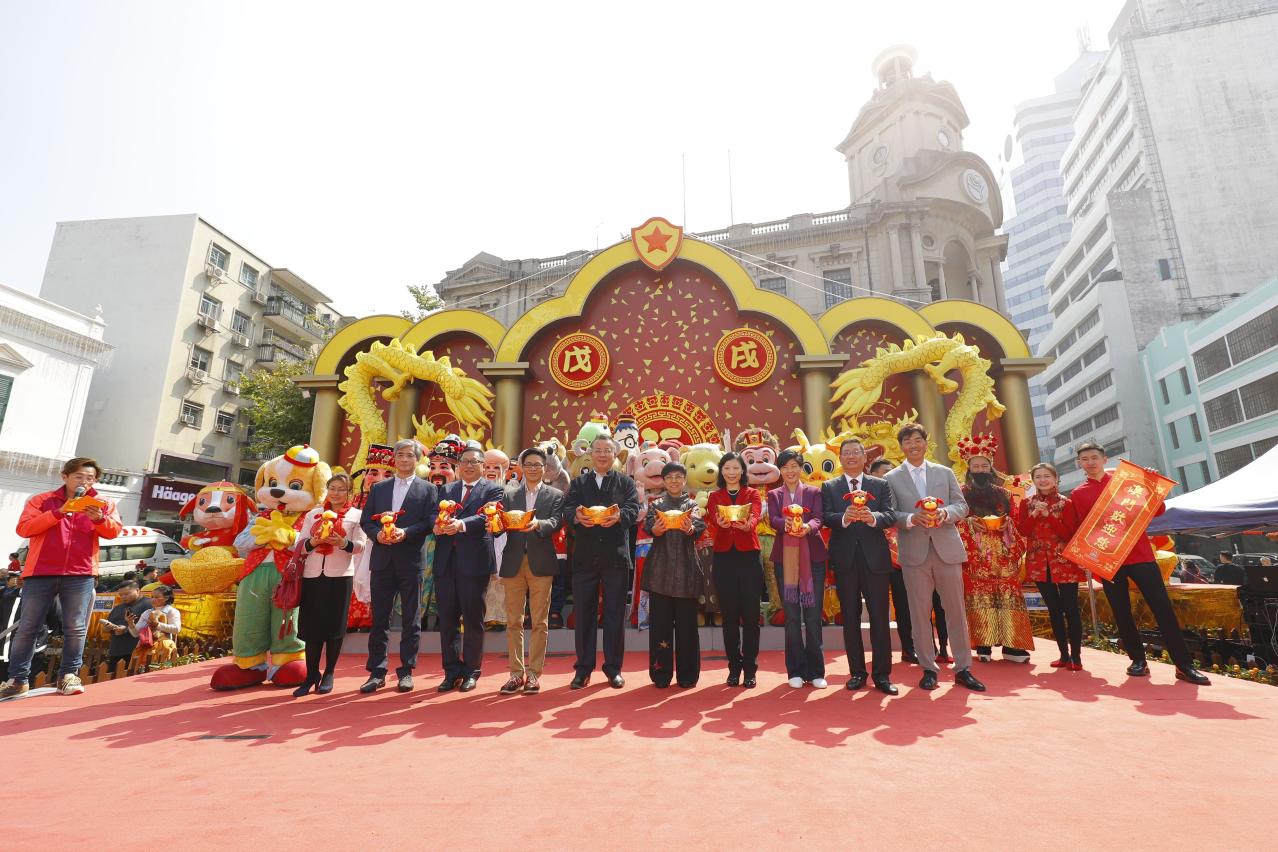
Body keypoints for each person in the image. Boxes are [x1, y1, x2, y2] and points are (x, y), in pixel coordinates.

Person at [1069, 442, 1209, 685]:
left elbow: (1158, 509)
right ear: (1079, 463)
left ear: (1104, 459)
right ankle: (1137, 660)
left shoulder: (1126, 483)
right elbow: (1083, 529)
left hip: (1141, 555)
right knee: (1121, 611)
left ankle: (1184, 665)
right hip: (1109, 561)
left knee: (1162, 608)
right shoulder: (1078, 494)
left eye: (1094, 457)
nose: (1090, 462)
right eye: (1085, 459)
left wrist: (1149, 483)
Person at [2, 457, 123, 698]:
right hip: (40, 572)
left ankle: (68, 676)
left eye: (90, 478)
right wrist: (58, 512)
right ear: (65, 477)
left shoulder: (103, 503)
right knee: (28, 627)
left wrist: (99, 519)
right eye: (79, 477)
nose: (84, 482)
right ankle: (17, 680)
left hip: (81, 572)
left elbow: (114, 531)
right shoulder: (42, 500)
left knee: (75, 628)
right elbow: (24, 528)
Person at [883, 424, 986, 692]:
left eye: (918, 439)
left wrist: (945, 513)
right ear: (901, 446)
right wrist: (910, 518)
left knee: (955, 610)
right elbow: (890, 513)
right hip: (914, 552)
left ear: (926, 443)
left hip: (946, 549)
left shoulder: (944, 472)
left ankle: (963, 668)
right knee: (919, 613)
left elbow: (961, 505)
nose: (913, 445)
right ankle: (928, 668)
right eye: (908, 441)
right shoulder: (891, 478)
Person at [357, 439, 439, 694]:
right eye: (400, 455)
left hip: (411, 559)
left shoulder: (428, 489)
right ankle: (377, 671)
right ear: (394, 458)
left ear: (417, 459)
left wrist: (406, 532)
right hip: (382, 559)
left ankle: (406, 671)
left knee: (411, 618)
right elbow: (366, 521)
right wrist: (377, 535)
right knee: (380, 618)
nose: (404, 459)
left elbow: (429, 522)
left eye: (409, 455)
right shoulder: (379, 488)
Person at [561, 434, 641, 689]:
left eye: (608, 450)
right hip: (585, 557)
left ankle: (613, 668)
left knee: (615, 614)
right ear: (591, 454)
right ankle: (583, 669)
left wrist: (619, 517)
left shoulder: (625, 482)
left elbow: (633, 509)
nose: (603, 454)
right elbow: (567, 508)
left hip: (615, 557)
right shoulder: (578, 483)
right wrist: (576, 517)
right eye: (598, 450)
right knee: (583, 614)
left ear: (615, 455)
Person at [822, 439, 898, 694]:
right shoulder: (830, 486)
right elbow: (826, 517)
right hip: (845, 561)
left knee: (879, 618)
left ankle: (882, 675)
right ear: (841, 458)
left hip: (875, 560)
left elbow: (890, 514)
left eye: (856, 452)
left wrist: (872, 517)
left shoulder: (880, 484)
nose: (851, 456)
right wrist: (844, 517)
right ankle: (857, 672)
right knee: (850, 618)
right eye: (846, 453)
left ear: (865, 457)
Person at [955, 435, 1034, 664]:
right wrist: (969, 523)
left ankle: (1013, 646)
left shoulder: (1005, 494)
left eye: (984, 465)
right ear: (969, 468)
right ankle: (984, 644)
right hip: (975, 554)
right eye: (976, 466)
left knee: (1009, 596)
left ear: (991, 468)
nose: (980, 469)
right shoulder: (960, 493)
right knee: (980, 596)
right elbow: (953, 522)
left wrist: (1007, 524)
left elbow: (1016, 522)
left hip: (1003, 552)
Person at [432, 442, 503, 693]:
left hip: (475, 563)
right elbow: (432, 513)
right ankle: (451, 671)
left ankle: (472, 671)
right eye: (465, 462)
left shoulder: (493, 489)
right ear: (458, 465)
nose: (469, 466)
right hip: (445, 562)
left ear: (483, 465)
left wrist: (460, 525)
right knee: (447, 619)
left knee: (473, 619)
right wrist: (436, 524)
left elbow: (487, 516)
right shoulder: (446, 489)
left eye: (474, 462)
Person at [292, 472, 367, 696]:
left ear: (350, 493)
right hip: (312, 575)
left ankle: (329, 672)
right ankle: (311, 674)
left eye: (341, 489)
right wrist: (314, 541)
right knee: (311, 628)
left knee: (335, 627)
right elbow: (299, 545)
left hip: (340, 576)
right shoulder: (314, 514)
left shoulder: (356, 515)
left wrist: (342, 542)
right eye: (332, 488)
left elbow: (360, 546)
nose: (336, 493)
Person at [497, 447, 564, 695]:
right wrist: (495, 521)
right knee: (513, 621)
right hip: (513, 561)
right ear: (521, 467)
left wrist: (538, 524)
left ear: (545, 468)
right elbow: (499, 526)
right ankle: (515, 674)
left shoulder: (555, 495)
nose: (533, 468)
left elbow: (556, 522)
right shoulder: (508, 494)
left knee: (540, 622)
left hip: (541, 562)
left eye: (538, 465)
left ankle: (534, 674)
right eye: (529, 464)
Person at [642, 461, 707, 688]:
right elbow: (648, 526)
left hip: (687, 573)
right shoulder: (656, 505)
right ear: (663, 481)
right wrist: (655, 529)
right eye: (669, 477)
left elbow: (698, 526)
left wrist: (691, 529)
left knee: (687, 628)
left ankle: (688, 675)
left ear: (684, 480)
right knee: (660, 628)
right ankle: (661, 673)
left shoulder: (692, 505)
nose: (674, 481)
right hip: (659, 573)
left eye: (678, 476)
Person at [1015, 463, 1084, 670]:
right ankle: (1063, 655)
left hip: (1064, 562)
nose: (1043, 480)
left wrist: (1049, 516)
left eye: (1047, 476)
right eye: (1038, 477)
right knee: (1054, 609)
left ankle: (1076, 657)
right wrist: (1035, 514)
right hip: (1038, 562)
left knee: (1071, 609)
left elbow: (1068, 534)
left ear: (1055, 479)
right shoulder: (1027, 503)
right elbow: (1023, 531)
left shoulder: (1066, 503)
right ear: (1033, 480)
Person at [768, 449, 828, 688]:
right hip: (785, 559)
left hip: (813, 558)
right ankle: (794, 670)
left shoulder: (814, 492)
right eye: (785, 467)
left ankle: (816, 671)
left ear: (801, 468)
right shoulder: (774, 494)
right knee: (792, 616)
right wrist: (788, 524)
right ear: (780, 471)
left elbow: (820, 518)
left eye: (794, 466)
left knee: (813, 616)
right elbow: (773, 519)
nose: (790, 471)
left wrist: (808, 527)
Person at [705, 452, 764, 688]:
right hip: (723, 558)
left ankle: (750, 669)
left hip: (749, 556)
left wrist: (749, 525)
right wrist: (717, 523)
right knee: (729, 617)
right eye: (727, 468)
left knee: (751, 616)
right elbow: (713, 519)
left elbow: (756, 515)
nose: (731, 472)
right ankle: (733, 668)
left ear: (742, 471)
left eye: (735, 468)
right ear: (721, 471)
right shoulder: (714, 496)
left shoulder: (752, 494)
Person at [869, 458, 919, 665]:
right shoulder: (865, 496)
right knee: (878, 609)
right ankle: (882, 653)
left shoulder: (900, 495)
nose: (889, 476)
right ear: (873, 475)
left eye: (892, 472)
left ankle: (909, 648)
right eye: (885, 472)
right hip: (875, 558)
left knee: (904, 605)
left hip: (900, 559)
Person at [101, 580, 152, 673]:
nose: (123, 597)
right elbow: (108, 625)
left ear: (137, 590)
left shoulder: (148, 604)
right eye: (121, 595)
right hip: (116, 650)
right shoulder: (118, 608)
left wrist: (125, 630)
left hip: (136, 650)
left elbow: (150, 626)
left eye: (127, 594)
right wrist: (106, 628)